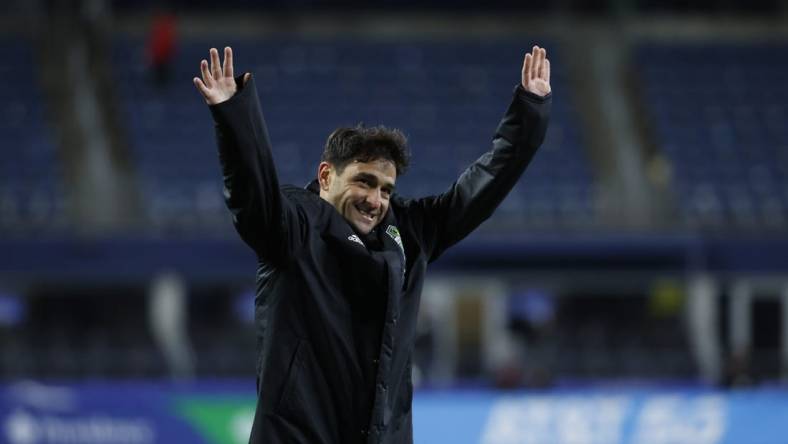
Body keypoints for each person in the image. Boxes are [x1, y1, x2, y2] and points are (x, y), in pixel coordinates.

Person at [193, 44, 552, 444]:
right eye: (364, 181)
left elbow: (476, 193)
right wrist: (234, 115)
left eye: (386, 189)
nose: (376, 199)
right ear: (326, 176)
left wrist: (529, 115)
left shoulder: (408, 234)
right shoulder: (294, 227)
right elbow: (252, 197)